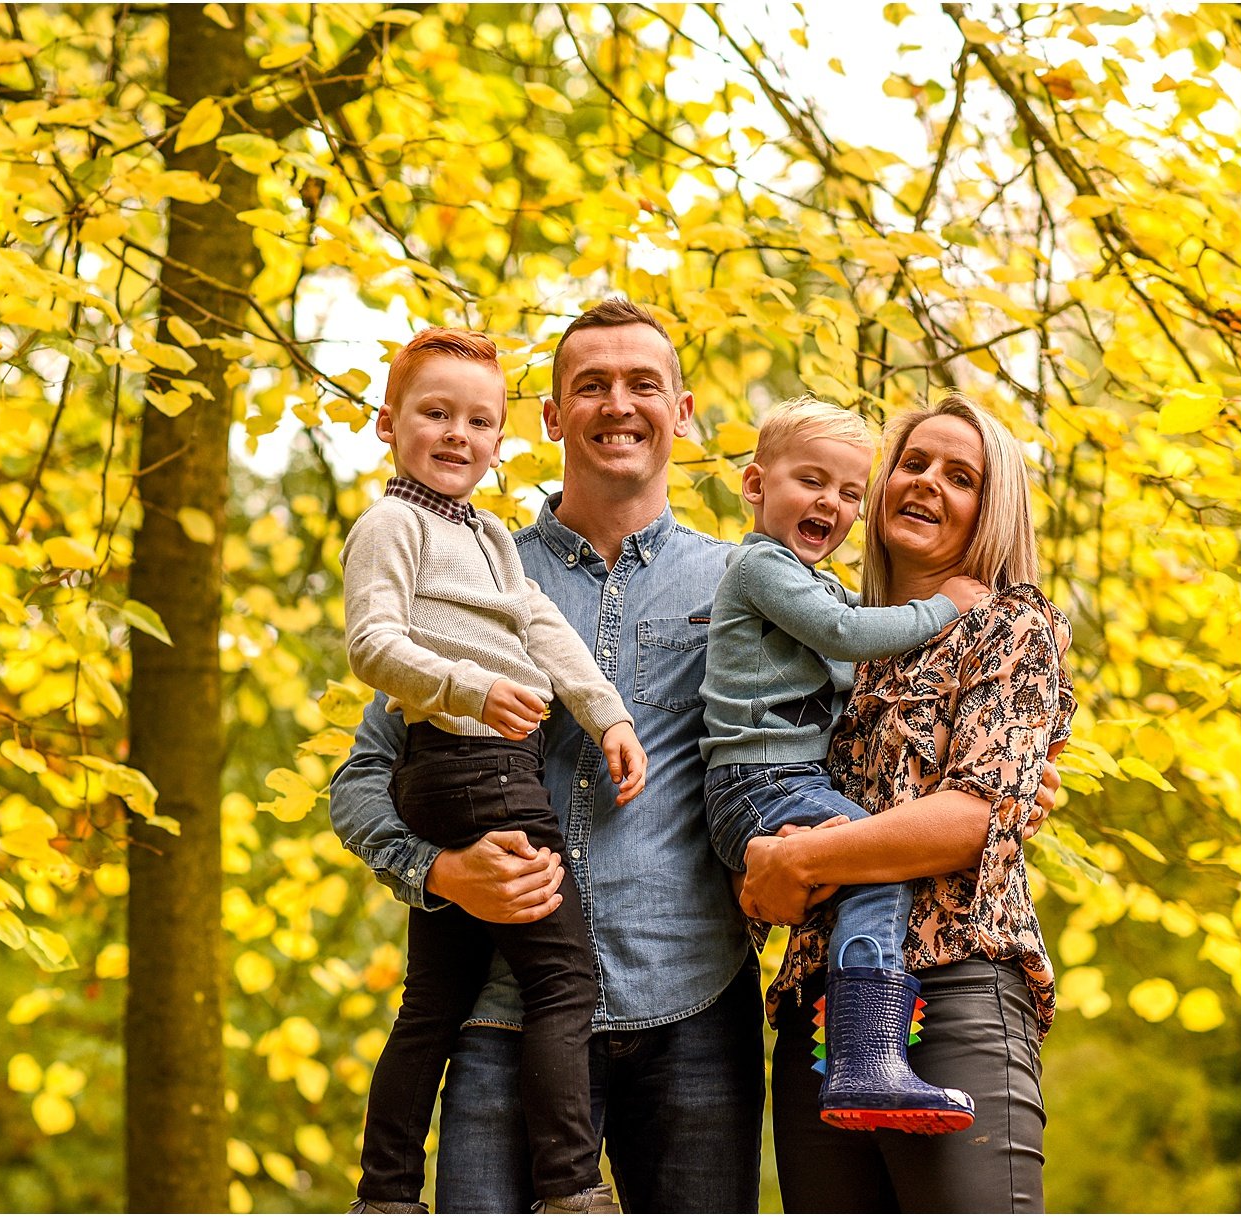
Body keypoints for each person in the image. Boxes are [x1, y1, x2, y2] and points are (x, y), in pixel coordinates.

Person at [332, 298, 762, 1213]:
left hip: (696, 1014)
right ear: (551, 417)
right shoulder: (469, 570)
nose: (619, 403)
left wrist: (992, 768)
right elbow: (365, 776)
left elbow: (831, 734)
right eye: (591, 384)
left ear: (681, 411)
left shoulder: (739, 584)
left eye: (644, 383)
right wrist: (438, 871)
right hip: (499, 1019)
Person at [739, 394, 1074, 1212]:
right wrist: (761, 881)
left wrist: (802, 859)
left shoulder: (1008, 627)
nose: (927, 482)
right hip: (816, 1013)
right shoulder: (828, 639)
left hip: (954, 986)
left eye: (960, 476)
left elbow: (967, 818)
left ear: (989, 510)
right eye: (914, 463)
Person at [340, 327, 646, 1216]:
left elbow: (546, 628)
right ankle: (570, 1188)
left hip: (469, 768)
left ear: (501, 438)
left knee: (431, 1000)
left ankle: (388, 1193)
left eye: (479, 420)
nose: (457, 435)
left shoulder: (486, 537)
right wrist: (471, 686)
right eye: (436, 414)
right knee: (564, 980)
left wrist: (607, 714)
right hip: (470, 766)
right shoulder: (390, 522)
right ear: (388, 422)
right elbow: (372, 643)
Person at [700, 396, 990, 1134]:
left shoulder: (811, 580)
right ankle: (866, 1054)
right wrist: (944, 608)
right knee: (878, 863)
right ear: (756, 486)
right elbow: (844, 633)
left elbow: (852, 682)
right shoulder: (761, 566)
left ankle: (866, 1052)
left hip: (780, 784)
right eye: (811, 480)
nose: (831, 501)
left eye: (850, 492)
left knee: (865, 862)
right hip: (759, 783)